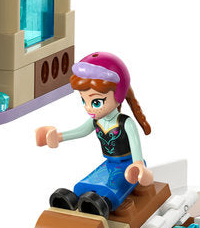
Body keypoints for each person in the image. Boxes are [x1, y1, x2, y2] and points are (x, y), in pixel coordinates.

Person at [34, 51, 153, 218]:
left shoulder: (126, 123)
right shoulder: (96, 121)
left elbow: (136, 147)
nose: (88, 108)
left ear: (118, 95)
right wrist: (59, 137)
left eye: (96, 102)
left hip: (129, 167)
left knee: (110, 191)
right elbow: (80, 131)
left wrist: (139, 165)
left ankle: (101, 205)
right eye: (84, 101)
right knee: (85, 186)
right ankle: (73, 201)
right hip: (108, 164)